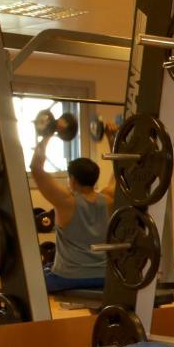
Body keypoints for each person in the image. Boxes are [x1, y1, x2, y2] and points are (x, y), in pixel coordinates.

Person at [30, 123, 117, 293]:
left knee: (31, 281)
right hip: (104, 275)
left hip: (69, 277)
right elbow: (120, 169)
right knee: (48, 268)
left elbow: (36, 168)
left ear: (73, 180)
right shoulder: (109, 199)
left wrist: (49, 133)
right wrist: (111, 137)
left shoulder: (66, 202)